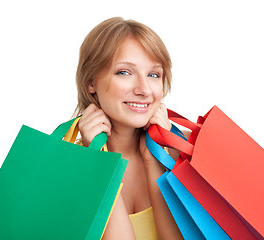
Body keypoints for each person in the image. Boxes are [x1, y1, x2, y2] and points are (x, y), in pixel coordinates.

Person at [74, 17, 184, 240]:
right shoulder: (68, 162)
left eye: (154, 75)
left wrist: (155, 162)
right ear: (91, 82)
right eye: (124, 72)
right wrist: (99, 164)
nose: (144, 90)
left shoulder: (183, 156)